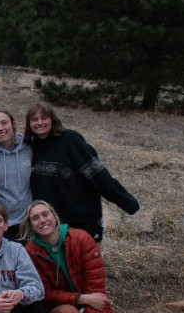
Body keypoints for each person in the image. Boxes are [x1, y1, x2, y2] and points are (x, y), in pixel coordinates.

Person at [24, 200, 115, 313]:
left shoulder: (82, 239)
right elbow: (46, 295)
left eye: (45, 214)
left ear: (55, 217)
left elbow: (96, 293)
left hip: (93, 310)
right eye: (35, 218)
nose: (42, 220)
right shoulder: (30, 252)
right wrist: (81, 299)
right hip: (63, 310)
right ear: (31, 226)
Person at [25, 101, 140, 242]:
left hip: (83, 216)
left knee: (89, 261)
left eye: (44, 118)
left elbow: (97, 174)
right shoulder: (29, 147)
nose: (39, 122)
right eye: (34, 119)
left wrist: (127, 202)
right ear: (29, 124)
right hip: (54, 222)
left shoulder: (70, 139)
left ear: (52, 120)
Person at [0, 108, 32, 240]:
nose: (0, 128)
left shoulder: (28, 146)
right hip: (2, 223)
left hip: (29, 221)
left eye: (4, 122)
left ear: (13, 124)